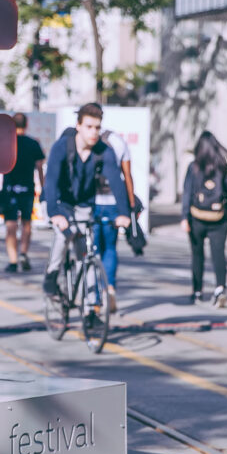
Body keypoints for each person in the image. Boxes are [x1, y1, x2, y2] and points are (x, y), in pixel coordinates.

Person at [42, 103, 131, 299]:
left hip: (84, 205)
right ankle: (52, 272)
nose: (94, 132)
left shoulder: (103, 151)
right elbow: (51, 183)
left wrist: (124, 213)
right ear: (78, 126)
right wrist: (54, 213)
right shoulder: (62, 147)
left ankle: (91, 310)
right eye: (89, 127)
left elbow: (117, 182)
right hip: (59, 201)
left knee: (88, 255)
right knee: (64, 233)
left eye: (97, 127)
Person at [180, 131, 227, 307]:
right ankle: (220, 290)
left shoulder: (193, 167)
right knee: (218, 254)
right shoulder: (223, 167)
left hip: (197, 217)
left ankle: (197, 292)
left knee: (197, 255)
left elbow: (187, 193)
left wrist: (184, 217)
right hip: (219, 219)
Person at [93, 123, 140, 312]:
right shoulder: (118, 141)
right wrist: (129, 206)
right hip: (114, 202)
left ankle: (94, 298)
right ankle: (109, 288)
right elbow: (127, 175)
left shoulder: (91, 141)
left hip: (93, 202)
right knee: (110, 248)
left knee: (93, 251)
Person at [1, 113, 45, 272]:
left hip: (9, 189)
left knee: (11, 225)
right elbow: (40, 167)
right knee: (27, 223)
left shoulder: (6, 143)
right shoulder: (33, 143)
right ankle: (24, 253)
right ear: (26, 125)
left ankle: (13, 260)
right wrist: (43, 186)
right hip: (27, 189)